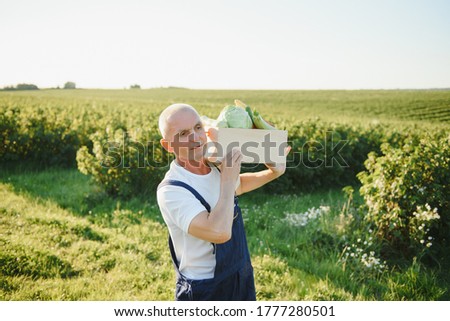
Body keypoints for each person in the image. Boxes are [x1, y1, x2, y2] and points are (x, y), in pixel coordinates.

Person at [156, 103, 289, 301]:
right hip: (206, 290)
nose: (196, 137)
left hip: (239, 275)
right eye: (183, 134)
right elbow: (219, 232)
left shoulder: (212, 165)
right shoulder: (172, 190)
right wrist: (227, 178)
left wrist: (273, 173)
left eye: (198, 127)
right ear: (168, 145)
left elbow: (239, 185)